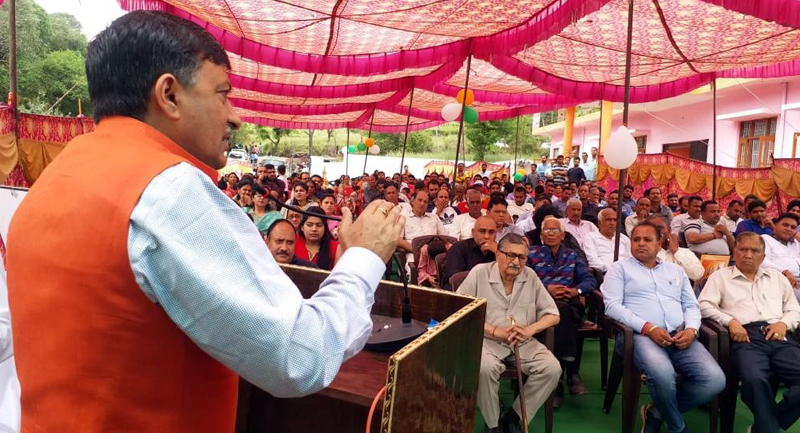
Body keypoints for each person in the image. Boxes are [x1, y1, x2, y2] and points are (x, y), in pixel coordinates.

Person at [7, 11, 407, 433]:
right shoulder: (168, 191)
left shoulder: (56, 178)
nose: (234, 116)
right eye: (222, 94)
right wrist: (364, 257)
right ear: (170, 95)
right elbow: (301, 355)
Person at [602, 222, 725, 433]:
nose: (641, 244)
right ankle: (678, 426)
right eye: (636, 239)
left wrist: (692, 329)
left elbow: (691, 305)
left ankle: (656, 412)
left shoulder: (675, 270)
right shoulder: (619, 269)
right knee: (662, 374)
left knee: (714, 380)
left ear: (660, 243)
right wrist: (648, 328)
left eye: (647, 240)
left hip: (679, 335)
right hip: (640, 336)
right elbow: (612, 306)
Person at [457, 233, 560, 433]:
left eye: (522, 257)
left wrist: (529, 330)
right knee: (484, 369)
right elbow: (459, 311)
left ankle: (514, 417)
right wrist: (494, 330)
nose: (516, 262)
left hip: (522, 341)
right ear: (498, 254)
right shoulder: (480, 273)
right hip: (487, 340)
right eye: (511, 255)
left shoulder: (529, 276)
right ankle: (493, 423)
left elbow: (553, 315)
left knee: (552, 368)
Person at [698, 232, 800, 433]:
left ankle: (766, 426)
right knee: (754, 379)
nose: (748, 255)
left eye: (755, 251)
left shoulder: (777, 278)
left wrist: (783, 323)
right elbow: (703, 305)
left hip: (779, 334)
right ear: (734, 252)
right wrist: (730, 321)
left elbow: (794, 309)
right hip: (745, 337)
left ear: (763, 256)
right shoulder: (720, 276)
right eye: (743, 249)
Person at [528, 217, 596, 406]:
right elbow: (524, 280)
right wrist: (547, 288)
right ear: (541, 235)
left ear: (563, 234)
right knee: (563, 312)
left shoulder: (572, 256)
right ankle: (571, 371)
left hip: (569, 302)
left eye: (554, 230)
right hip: (541, 304)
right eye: (546, 231)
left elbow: (589, 281)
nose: (550, 234)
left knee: (565, 311)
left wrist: (576, 290)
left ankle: (557, 380)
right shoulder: (531, 254)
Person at [443, 216, 498, 291]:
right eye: (482, 231)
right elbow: (454, 279)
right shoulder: (459, 248)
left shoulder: (499, 251)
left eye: (491, 232)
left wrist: (498, 253)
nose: (486, 236)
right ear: (473, 232)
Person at [647, 215, 705, 282]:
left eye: (660, 228)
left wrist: (676, 252)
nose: (656, 232)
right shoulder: (643, 254)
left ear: (669, 230)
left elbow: (697, 275)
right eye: (652, 228)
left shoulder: (684, 252)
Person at [397, 191, 446, 266]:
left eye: (425, 202)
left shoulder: (434, 217)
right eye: (419, 200)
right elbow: (398, 240)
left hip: (434, 254)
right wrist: (416, 250)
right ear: (412, 202)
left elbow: (445, 237)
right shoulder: (404, 218)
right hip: (413, 254)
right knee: (412, 268)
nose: (422, 203)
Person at [761, 213, 800, 299]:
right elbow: (762, 262)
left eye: (793, 227)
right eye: (785, 225)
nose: (789, 229)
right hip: (779, 281)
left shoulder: (796, 244)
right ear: (775, 226)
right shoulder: (765, 239)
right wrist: (784, 271)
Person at [583, 208, 631, 274]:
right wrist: (614, 271)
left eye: (615, 220)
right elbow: (593, 261)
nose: (612, 223)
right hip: (604, 274)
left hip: (627, 274)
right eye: (608, 220)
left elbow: (632, 258)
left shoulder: (624, 238)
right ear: (599, 223)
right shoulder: (590, 237)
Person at [294, 206, 343, 271]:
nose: (314, 229)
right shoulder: (293, 242)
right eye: (309, 225)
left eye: (319, 225)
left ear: (325, 228)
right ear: (302, 227)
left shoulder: (336, 248)